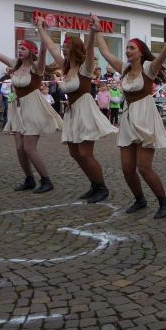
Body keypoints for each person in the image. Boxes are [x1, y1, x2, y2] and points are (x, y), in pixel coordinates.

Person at [93, 15, 166, 217]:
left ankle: (164, 202)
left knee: (144, 167)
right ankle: (140, 200)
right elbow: (105, 52)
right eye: (127, 48)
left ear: (140, 52)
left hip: (145, 117)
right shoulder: (124, 68)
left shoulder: (148, 68)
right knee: (127, 168)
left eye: (132, 48)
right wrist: (97, 29)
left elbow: (161, 58)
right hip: (128, 118)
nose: (128, 51)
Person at [0, 26, 62, 193]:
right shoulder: (15, 64)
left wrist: (42, 30)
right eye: (18, 48)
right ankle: (29, 179)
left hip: (33, 107)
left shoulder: (37, 66)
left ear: (31, 51)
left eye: (23, 48)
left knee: (29, 148)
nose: (19, 50)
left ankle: (46, 180)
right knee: (20, 149)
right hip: (17, 108)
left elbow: (43, 50)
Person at [37, 19, 117, 203]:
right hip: (72, 112)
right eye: (63, 46)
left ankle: (101, 188)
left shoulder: (85, 68)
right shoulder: (66, 66)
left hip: (85, 111)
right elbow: (51, 47)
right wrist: (41, 29)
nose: (63, 49)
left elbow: (89, 50)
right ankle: (94, 184)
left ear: (75, 49)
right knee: (75, 153)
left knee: (85, 153)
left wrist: (92, 31)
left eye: (67, 46)